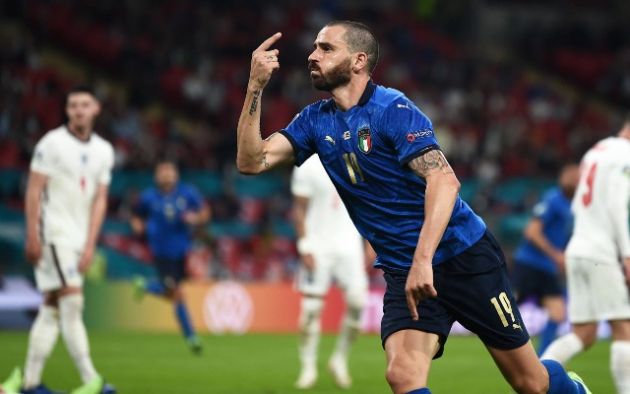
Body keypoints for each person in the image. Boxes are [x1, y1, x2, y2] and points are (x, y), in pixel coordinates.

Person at [235, 21, 591, 393]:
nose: (312, 55)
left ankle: (570, 386)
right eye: (314, 47)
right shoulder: (314, 120)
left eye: (326, 48)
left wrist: (424, 261)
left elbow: (444, 181)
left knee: (531, 384)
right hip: (405, 271)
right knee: (402, 375)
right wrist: (255, 86)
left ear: (358, 61)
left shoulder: (393, 109)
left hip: (463, 257)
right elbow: (251, 161)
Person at [22, 86, 115, 394]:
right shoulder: (52, 144)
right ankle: (92, 380)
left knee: (51, 306)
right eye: (73, 105)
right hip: (53, 233)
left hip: (77, 239)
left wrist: (89, 245)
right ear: (66, 110)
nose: (78, 110)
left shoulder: (104, 150)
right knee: (73, 302)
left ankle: (30, 382)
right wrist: (32, 235)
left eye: (84, 104)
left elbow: (100, 200)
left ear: (96, 109)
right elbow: (34, 190)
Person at [541, 117, 630, 393]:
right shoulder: (624, 155)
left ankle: (539, 379)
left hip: (578, 247)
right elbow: (616, 205)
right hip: (600, 251)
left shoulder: (597, 150)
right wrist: (626, 254)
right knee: (624, 327)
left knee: (584, 333)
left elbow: (580, 202)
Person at [291, 154, 369, 389]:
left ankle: (340, 360)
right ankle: (308, 368)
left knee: (357, 303)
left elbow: (364, 203)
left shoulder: (353, 158)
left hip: (349, 244)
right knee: (311, 309)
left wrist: (370, 242)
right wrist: (304, 245)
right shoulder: (306, 165)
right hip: (318, 245)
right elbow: (299, 210)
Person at [130, 160, 210, 354]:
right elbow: (135, 215)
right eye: (162, 172)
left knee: (175, 294)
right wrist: (138, 225)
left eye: (169, 172)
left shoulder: (187, 193)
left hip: (182, 252)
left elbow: (205, 213)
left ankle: (146, 286)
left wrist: (196, 219)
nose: (166, 175)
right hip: (161, 252)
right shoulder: (148, 197)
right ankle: (191, 337)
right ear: (157, 176)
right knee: (175, 292)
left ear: (176, 174)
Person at [512, 164, 579, 355]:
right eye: (569, 175)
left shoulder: (572, 204)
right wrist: (555, 254)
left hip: (547, 268)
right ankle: (501, 345)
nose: (572, 179)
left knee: (558, 314)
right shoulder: (553, 198)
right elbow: (532, 231)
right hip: (529, 263)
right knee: (506, 307)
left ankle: (543, 359)